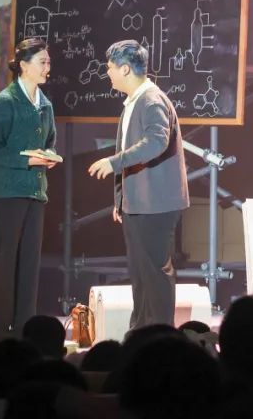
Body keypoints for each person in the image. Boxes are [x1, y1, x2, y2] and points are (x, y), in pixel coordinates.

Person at [88, 40, 189, 330]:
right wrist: (122, 200)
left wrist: (114, 162)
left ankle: (159, 334)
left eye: (110, 68)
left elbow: (156, 142)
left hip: (155, 203)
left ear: (125, 69)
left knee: (154, 273)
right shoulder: (134, 102)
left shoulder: (151, 100)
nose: (107, 73)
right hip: (139, 202)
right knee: (141, 274)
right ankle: (142, 332)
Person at [0, 38, 59, 340]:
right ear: (24, 65)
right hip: (6, 193)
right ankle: (0, 330)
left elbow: (49, 142)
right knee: (6, 262)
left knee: (29, 263)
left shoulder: (45, 104)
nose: (47, 67)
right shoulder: (5, 102)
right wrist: (28, 159)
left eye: (48, 62)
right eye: (42, 62)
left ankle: (24, 328)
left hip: (35, 192)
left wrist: (49, 157)